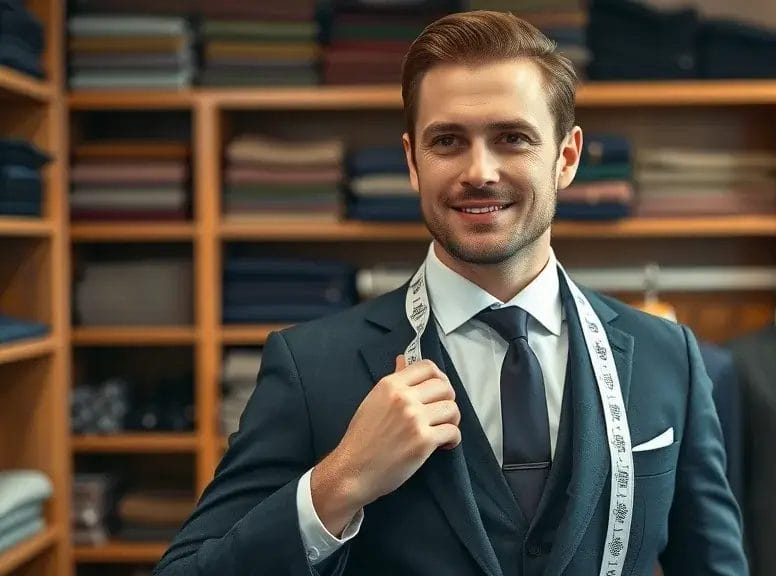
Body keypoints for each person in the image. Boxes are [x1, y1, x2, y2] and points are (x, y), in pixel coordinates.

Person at [154, 11, 746, 576]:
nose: (479, 171)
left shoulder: (670, 358)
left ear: (565, 157)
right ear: (413, 161)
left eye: (512, 138)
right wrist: (338, 484)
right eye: (447, 142)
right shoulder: (312, 369)